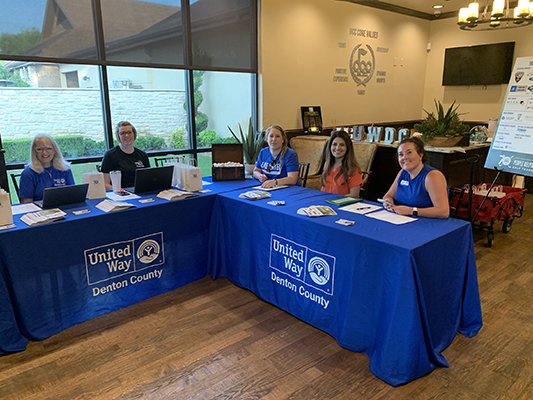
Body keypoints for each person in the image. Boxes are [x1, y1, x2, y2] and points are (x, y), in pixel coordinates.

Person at [382, 136, 449, 218]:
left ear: (420, 155)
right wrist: (388, 201)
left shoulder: (432, 176)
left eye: (409, 152)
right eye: (401, 154)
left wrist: (411, 211)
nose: (404, 157)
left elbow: (443, 212)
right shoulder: (402, 173)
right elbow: (388, 195)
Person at [19, 134, 75, 203]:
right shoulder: (28, 173)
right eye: (39, 149)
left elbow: (73, 195)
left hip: (65, 209)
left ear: (54, 150)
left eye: (48, 148)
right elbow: (26, 203)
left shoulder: (65, 169)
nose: (44, 152)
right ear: (34, 151)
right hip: (40, 211)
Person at [101, 121, 150, 190]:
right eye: (122, 133)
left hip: (140, 193)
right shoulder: (110, 155)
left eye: (129, 132)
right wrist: (122, 192)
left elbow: (148, 179)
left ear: (134, 134)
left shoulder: (143, 155)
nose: (127, 135)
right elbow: (105, 184)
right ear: (118, 136)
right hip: (120, 195)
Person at [320, 130, 363, 197]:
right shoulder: (327, 164)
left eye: (342, 145)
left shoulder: (353, 168)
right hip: (326, 203)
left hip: (344, 205)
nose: (337, 148)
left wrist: (335, 201)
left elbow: (354, 195)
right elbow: (324, 188)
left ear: (348, 148)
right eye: (334, 144)